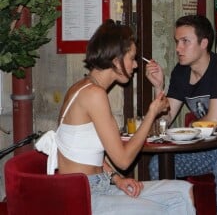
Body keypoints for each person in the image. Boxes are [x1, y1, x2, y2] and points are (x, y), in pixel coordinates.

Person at [35, 20, 195, 215]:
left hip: (100, 185)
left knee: (181, 191)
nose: (135, 65)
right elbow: (124, 160)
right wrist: (151, 113)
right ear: (116, 59)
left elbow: (82, 150)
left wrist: (116, 179)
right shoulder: (94, 94)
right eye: (132, 58)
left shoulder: (84, 87)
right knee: (161, 209)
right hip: (83, 196)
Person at [145, 15, 217, 215]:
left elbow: (213, 122)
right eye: (177, 42)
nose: (178, 48)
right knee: (157, 164)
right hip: (208, 150)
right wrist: (159, 88)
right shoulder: (180, 73)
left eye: (185, 42)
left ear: (204, 43)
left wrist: (183, 133)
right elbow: (163, 122)